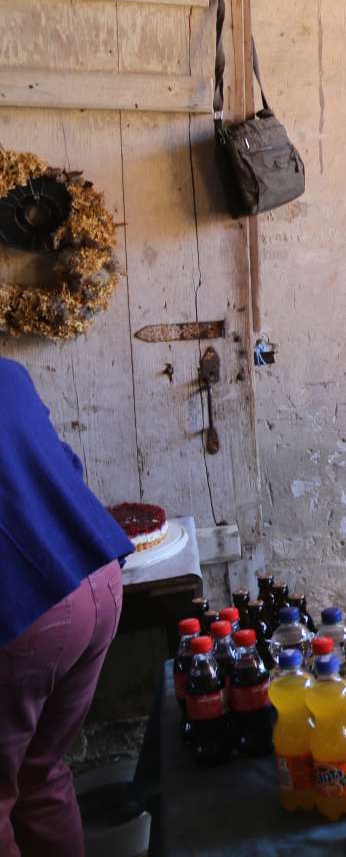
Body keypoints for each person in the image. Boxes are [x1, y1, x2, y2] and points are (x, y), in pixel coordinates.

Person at [1, 359, 132, 856]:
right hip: (97, 576)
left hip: (29, 612)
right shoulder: (8, 373)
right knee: (41, 771)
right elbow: (67, 466)